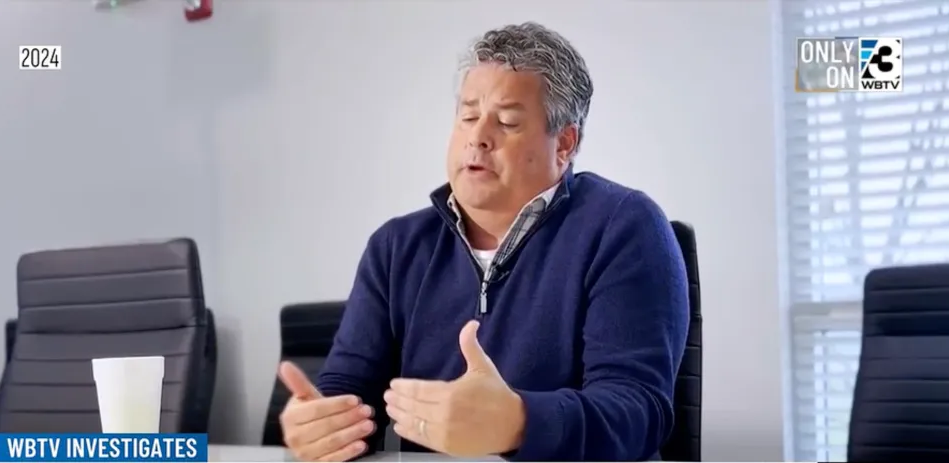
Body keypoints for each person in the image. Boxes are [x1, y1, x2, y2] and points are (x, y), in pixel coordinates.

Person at [276, 22, 690, 462]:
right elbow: (348, 393)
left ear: (564, 143)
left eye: (507, 121)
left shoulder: (623, 226)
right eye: (468, 116)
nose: (477, 136)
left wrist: (521, 422)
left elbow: (637, 413)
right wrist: (321, 425)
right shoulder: (396, 246)